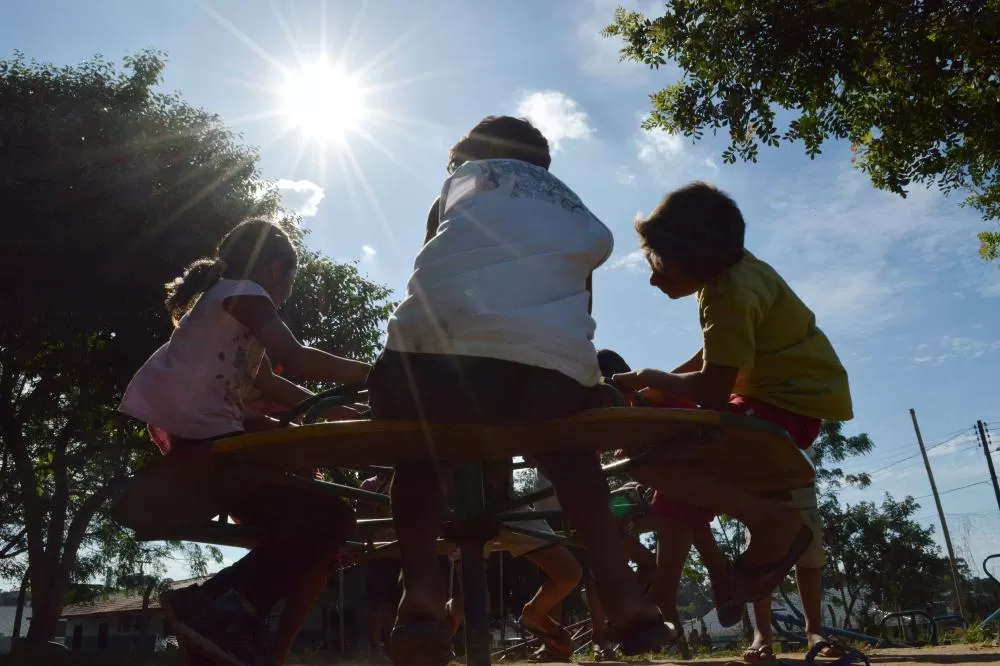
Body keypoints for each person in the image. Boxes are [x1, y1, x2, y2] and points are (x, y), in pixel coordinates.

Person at [368, 115, 673, 666]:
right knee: (570, 457)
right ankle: (623, 593)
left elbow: (434, 270)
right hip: (546, 368)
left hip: (437, 359)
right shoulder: (570, 205)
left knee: (421, 453)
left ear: (466, 158)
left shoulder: (461, 185)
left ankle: (421, 595)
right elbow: (580, 306)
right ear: (543, 166)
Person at [609, 183, 853, 652]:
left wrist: (650, 378)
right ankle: (665, 593)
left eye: (658, 262)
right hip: (783, 403)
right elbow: (719, 354)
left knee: (644, 458)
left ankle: (771, 522)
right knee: (672, 459)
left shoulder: (728, 293)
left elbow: (713, 390)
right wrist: (661, 388)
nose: (653, 279)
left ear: (696, 256)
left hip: (781, 410)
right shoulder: (741, 273)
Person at [117, 219, 371, 666]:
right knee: (330, 515)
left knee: (312, 528)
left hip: (208, 438)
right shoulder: (245, 293)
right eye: (292, 281)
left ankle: (234, 634)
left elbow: (275, 384)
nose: (288, 294)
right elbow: (296, 358)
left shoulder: (229, 306)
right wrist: (377, 372)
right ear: (277, 269)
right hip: (209, 443)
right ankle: (212, 604)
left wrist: (345, 412)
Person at [358, 470, 399, 663]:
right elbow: (362, 517)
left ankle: (390, 646)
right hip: (379, 549)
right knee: (378, 601)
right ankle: (374, 647)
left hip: (400, 548)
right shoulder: (369, 485)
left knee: (394, 602)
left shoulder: (403, 483)